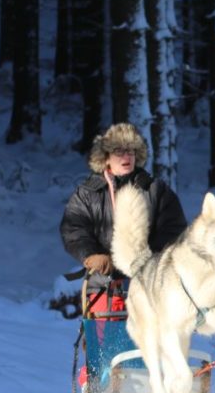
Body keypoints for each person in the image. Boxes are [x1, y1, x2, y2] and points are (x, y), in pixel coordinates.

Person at [60, 123, 188, 310]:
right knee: (106, 339)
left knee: (146, 340)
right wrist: (91, 255)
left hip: (148, 287)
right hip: (102, 287)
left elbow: (175, 230)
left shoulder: (156, 190)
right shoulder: (87, 193)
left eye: (131, 151)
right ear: (106, 158)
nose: (126, 156)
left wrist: (149, 259)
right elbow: (73, 228)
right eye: (119, 151)